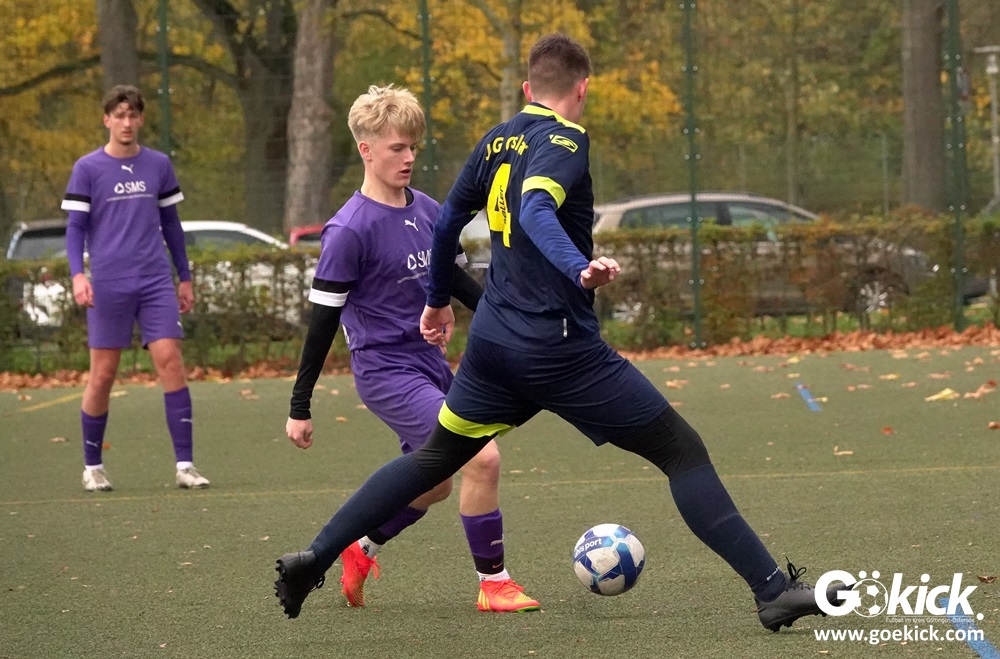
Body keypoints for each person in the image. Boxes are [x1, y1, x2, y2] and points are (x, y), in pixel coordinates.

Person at [274, 34, 844, 631]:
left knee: (434, 459)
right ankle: (772, 591)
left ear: (527, 89)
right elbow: (535, 209)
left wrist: (438, 300)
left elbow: (445, 226)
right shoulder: (567, 139)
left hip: (493, 347)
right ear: (583, 88)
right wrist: (578, 268)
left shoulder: (496, 139)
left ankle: (314, 557)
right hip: (559, 348)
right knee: (681, 452)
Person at [280, 85, 539, 614]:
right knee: (482, 456)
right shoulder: (348, 230)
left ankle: (360, 548)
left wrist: (513, 320)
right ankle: (494, 584)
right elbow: (321, 323)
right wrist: (299, 405)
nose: (408, 157)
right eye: (397, 147)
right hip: (385, 371)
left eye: (413, 147)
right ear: (366, 150)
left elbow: (459, 284)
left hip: (430, 363)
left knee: (435, 484)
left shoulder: (427, 209)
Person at [62, 84, 209, 492]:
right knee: (103, 375)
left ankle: (185, 465)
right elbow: (74, 228)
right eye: (119, 116)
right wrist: (77, 275)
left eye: (132, 115)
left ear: (141, 119)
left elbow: (172, 225)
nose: (126, 123)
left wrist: (184, 277)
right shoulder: (87, 168)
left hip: (154, 281)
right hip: (109, 284)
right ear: (107, 120)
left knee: (171, 362)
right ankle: (92, 466)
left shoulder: (158, 164)